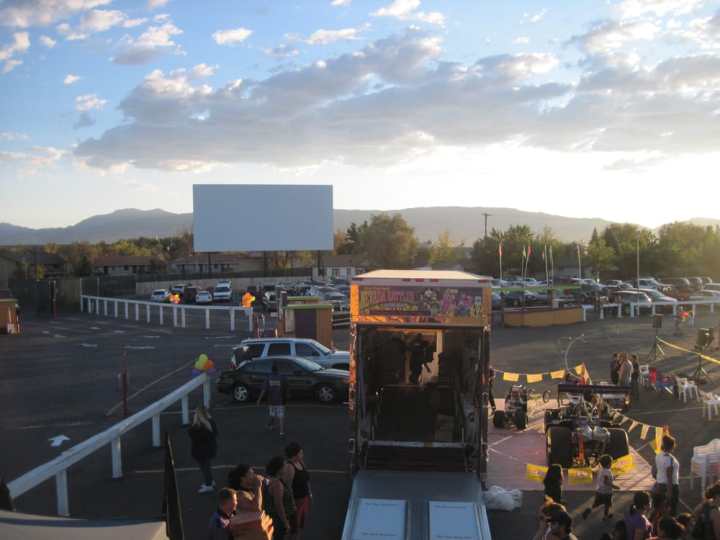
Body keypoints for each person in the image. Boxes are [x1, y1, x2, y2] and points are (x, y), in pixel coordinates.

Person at [227, 464, 272, 540]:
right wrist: (258, 487)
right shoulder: (239, 495)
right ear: (243, 478)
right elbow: (256, 508)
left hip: (252, 529)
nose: (254, 476)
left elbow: (259, 499)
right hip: (246, 533)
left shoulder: (248, 489)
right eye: (251, 474)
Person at [263, 456, 296, 540]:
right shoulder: (277, 484)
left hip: (269, 517)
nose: (286, 468)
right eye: (284, 466)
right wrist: (285, 523)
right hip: (277, 520)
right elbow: (279, 505)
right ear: (279, 469)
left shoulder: (267, 480)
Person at [284, 442, 311, 540]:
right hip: (296, 501)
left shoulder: (300, 462)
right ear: (295, 455)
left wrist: (309, 492)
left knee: (300, 525)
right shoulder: (289, 467)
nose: (302, 454)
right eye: (300, 453)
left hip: (304, 499)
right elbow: (288, 487)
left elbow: (306, 477)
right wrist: (292, 504)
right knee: (293, 528)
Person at [189, 406, 219, 493]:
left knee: (205, 468)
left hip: (201, 452)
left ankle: (208, 484)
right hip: (209, 450)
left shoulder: (198, 426)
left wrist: (194, 422)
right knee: (207, 467)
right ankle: (210, 481)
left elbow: (192, 434)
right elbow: (215, 433)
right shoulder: (211, 422)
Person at [582, 454, 618, 521]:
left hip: (599, 491)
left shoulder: (601, 470)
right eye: (611, 463)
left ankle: (589, 509)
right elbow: (606, 482)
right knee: (607, 505)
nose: (611, 464)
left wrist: (613, 478)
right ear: (608, 464)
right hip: (607, 492)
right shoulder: (607, 472)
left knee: (596, 504)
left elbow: (605, 479)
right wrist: (614, 486)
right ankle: (605, 516)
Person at [257, 363, 288, 437]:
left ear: (271, 370)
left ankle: (269, 425)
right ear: (278, 370)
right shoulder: (282, 377)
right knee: (281, 417)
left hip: (271, 401)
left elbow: (264, 390)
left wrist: (259, 400)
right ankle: (281, 432)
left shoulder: (268, 378)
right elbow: (286, 388)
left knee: (272, 415)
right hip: (280, 400)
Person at [655, 435, 680, 516]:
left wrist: (659, 481)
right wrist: (670, 493)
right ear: (672, 446)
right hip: (670, 487)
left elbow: (654, 471)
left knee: (659, 511)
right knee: (671, 512)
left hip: (659, 486)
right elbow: (669, 477)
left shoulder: (658, 456)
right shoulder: (670, 459)